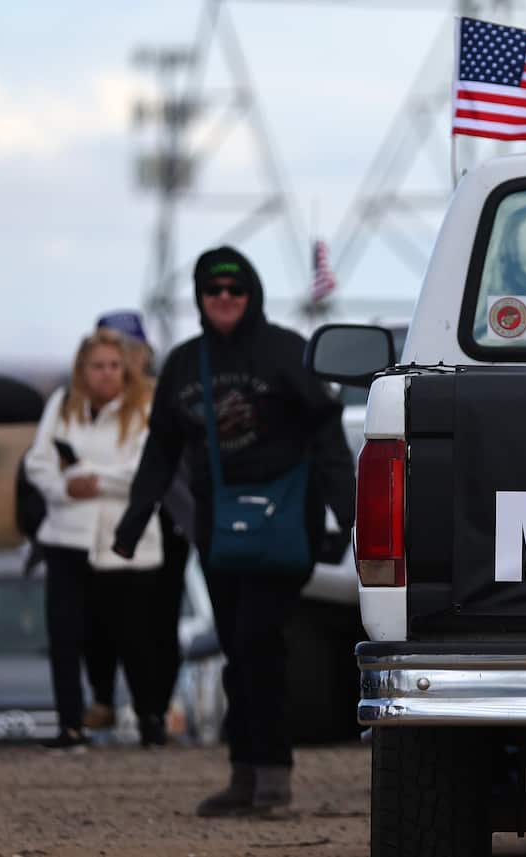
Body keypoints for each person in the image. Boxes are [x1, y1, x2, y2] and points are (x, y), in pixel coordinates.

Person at [113, 246, 354, 816]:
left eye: (235, 289)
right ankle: (245, 774)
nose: (224, 298)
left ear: (252, 294)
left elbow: (327, 435)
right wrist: (133, 522)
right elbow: (161, 449)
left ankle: (274, 776)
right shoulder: (184, 363)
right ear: (200, 297)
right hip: (219, 530)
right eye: (213, 290)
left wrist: (348, 515)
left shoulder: (285, 352)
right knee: (237, 652)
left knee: (258, 643)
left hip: (285, 526)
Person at [24, 328, 166, 750]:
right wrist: (64, 487)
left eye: (114, 366)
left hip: (125, 542)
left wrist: (89, 478)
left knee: (134, 638)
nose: (106, 374)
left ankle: (149, 719)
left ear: (126, 370)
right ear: (82, 370)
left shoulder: (144, 408)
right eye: (98, 366)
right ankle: (70, 724)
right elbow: (38, 463)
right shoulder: (62, 405)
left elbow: (144, 470)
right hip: (68, 535)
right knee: (66, 635)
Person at [81, 311, 193, 747]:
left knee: (159, 622)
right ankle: (105, 702)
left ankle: (153, 712)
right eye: (114, 349)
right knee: (101, 620)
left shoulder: (167, 396)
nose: (125, 359)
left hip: (166, 519)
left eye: (131, 349)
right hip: (102, 522)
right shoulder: (81, 404)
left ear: (144, 353)